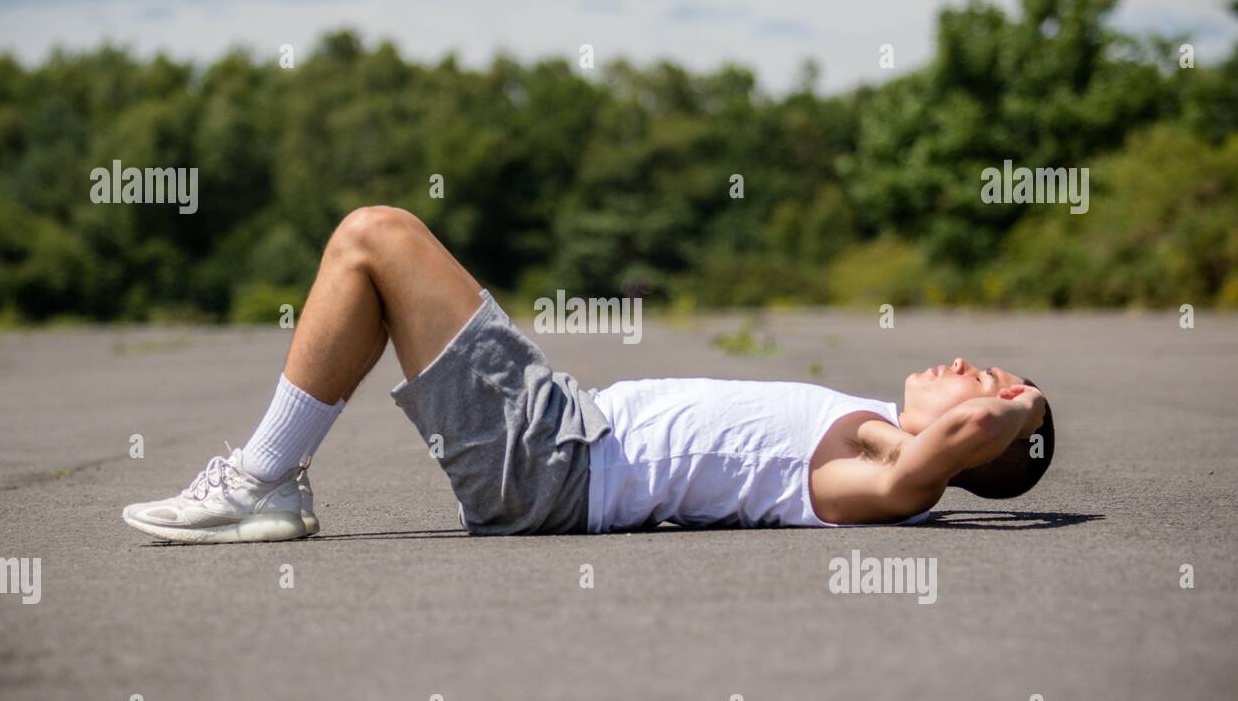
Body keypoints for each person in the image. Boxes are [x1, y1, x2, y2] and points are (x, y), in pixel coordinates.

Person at [122, 207, 1054, 543]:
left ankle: (262, 482)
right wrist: (1014, 415)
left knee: (377, 236)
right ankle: (268, 481)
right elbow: (958, 440)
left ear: (980, 439)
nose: (968, 365)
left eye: (991, 380)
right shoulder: (866, 427)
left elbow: (938, 456)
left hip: (559, 460)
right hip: (564, 437)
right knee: (376, 265)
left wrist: (1025, 415)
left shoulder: (884, 466)